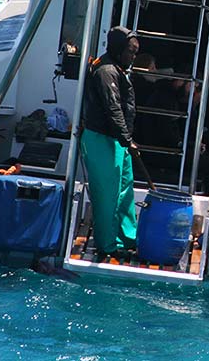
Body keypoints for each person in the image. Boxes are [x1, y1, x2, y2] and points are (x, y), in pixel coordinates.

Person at [80, 26, 141, 258]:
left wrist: (125, 140)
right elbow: (112, 108)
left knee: (124, 190)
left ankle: (127, 239)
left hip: (117, 141)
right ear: (117, 49)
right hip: (102, 140)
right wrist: (127, 139)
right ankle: (107, 245)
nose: (133, 57)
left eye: (135, 53)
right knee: (107, 195)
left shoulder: (117, 68)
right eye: (131, 52)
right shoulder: (106, 72)